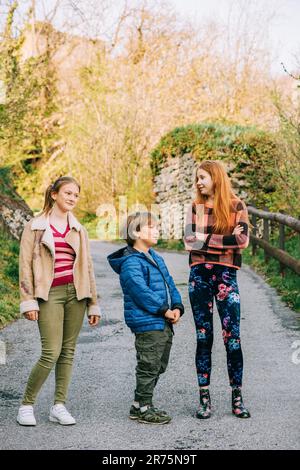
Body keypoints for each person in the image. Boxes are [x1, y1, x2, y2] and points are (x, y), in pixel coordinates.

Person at [17, 176, 101, 426]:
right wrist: (29, 301)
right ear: (54, 194)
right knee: (50, 352)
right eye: (68, 193)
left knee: (67, 352)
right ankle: (26, 405)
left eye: (76, 195)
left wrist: (92, 303)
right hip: (49, 294)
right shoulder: (35, 227)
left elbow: (87, 268)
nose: (72, 198)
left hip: (76, 294)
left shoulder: (79, 229)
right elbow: (25, 267)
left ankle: (59, 405)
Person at [184, 160, 251, 419]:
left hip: (226, 275)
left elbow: (242, 240)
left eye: (202, 177)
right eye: (197, 178)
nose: (198, 182)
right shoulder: (195, 208)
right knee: (204, 338)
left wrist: (206, 241)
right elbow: (190, 242)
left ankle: (237, 397)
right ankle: (204, 399)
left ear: (216, 178)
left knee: (232, 338)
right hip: (199, 276)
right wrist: (225, 241)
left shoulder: (236, 206)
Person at [107, 211, 184, 425]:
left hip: (163, 321)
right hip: (148, 322)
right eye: (151, 227)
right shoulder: (131, 262)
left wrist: (177, 306)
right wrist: (163, 310)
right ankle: (144, 407)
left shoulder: (155, 257)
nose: (157, 230)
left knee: (159, 364)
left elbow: (169, 283)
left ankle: (138, 403)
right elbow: (140, 291)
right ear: (136, 232)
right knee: (148, 365)